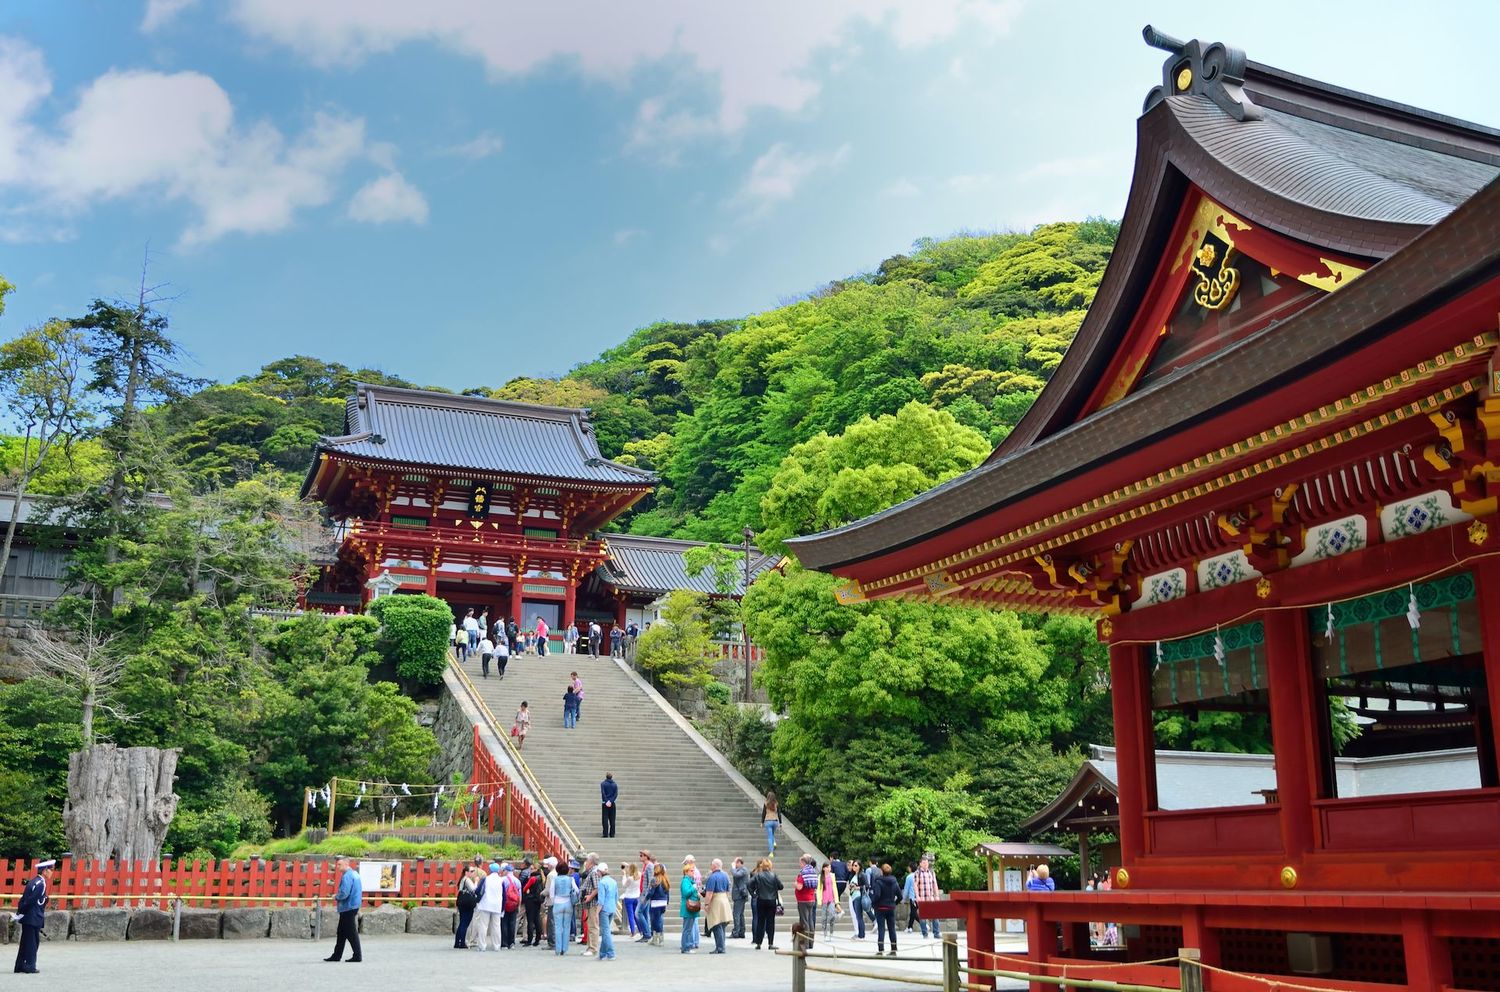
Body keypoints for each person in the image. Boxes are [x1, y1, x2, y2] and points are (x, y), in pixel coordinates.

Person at [12, 858, 53, 974]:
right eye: (50, 869)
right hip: (33, 917)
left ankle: (20, 965)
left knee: (26, 942)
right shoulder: (41, 884)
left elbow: (24, 900)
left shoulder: (33, 881)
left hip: (29, 917)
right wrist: (22, 912)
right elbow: (30, 901)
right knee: (32, 943)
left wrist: (20, 912)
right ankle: (29, 966)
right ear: (44, 871)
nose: (52, 872)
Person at [325, 855, 363, 963]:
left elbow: (344, 893)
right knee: (341, 932)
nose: (338, 866)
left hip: (348, 907)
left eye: (339, 864)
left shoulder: (346, 876)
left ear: (346, 864)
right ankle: (336, 955)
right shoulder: (355, 874)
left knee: (351, 933)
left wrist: (336, 896)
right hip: (353, 905)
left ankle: (357, 955)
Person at [748, 858, 782, 950]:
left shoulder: (758, 875)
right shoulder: (774, 876)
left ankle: (758, 943)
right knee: (771, 922)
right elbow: (781, 886)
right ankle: (770, 943)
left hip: (761, 900)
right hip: (771, 901)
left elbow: (749, 884)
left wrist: (753, 894)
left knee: (760, 921)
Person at [870, 863, 901, 957]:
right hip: (891, 907)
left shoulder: (878, 882)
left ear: (881, 871)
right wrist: (894, 903)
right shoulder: (894, 882)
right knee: (892, 929)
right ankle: (894, 949)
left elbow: (877, 895)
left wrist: (873, 903)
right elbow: (900, 896)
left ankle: (880, 949)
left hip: (880, 908)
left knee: (881, 928)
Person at [473, 861, 504, 951]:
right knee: (496, 926)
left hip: (485, 904)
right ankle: (497, 946)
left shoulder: (486, 879)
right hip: (497, 905)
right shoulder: (501, 880)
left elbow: (478, 890)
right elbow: (504, 894)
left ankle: (482, 946)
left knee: (483, 926)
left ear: (490, 870)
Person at [703, 858, 732, 953]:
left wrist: (707, 904)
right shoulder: (725, 876)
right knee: (722, 924)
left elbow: (709, 892)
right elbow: (728, 890)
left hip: (716, 900)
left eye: (711, 864)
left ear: (715, 866)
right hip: (724, 899)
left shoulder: (712, 877)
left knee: (716, 924)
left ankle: (720, 947)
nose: (710, 866)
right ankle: (722, 946)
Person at [550, 859, 578, 955]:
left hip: (558, 902)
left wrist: (554, 902)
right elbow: (576, 890)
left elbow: (551, 893)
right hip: (568, 903)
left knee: (558, 927)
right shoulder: (571, 879)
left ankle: (558, 949)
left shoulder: (555, 879)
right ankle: (564, 949)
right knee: (566, 927)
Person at [595, 863, 619, 961]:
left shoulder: (602, 883)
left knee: (605, 932)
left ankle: (610, 953)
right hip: (612, 908)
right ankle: (602, 953)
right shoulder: (613, 881)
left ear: (600, 872)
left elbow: (601, 900)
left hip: (604, 909)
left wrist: (596, 913)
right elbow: (616, 896)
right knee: (606, 930)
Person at [913, 857, 941, 938]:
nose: (926, 864)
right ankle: (924, 933)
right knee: (923, 917)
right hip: (922, 897)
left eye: (927, 863)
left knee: (935, 915)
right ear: (920, 864)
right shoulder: (917, 873)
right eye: (924, 863)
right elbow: (915, 885)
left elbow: (934, 884)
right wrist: (917, 896)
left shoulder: (931, 872)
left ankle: (936, 932)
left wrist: (937, 895)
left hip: (931, 897)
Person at [454, 863, 481, 950]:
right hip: (467, 903)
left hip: (462, 902)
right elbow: (474, 889)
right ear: (466, 872)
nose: (473, 873)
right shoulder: (467, 880)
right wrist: (476, 881)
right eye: (471, 871)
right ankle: (462, 942)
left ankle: (457, 942)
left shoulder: (462, 879)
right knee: (465, 923)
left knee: (462, 922)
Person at [679, 858, 703, 953]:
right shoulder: (685, 881)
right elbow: (686, 893)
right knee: (687, 929)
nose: (693, 872)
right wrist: (693, 889)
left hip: (692, 907)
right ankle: (686, 947)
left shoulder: (690, 880)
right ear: (686, 872)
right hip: (688, 907)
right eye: (691, 870)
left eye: (693, 870)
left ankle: (687, 946)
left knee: (689, 928)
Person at [646, 863, 670, 946]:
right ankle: (659, 937)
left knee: (654, 920)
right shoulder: (665, 879)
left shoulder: (654, 879)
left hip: (655, 902)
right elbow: (667, 893)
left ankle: (657, 938)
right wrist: (667, 902)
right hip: (663, 902)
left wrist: (646, 898)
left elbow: (651, 892)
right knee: (659, 919)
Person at [794, 853, 818, 934]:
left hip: (803, 900)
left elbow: (800, 887)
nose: (799, 864)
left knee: (804, 921)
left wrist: (795, 884)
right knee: (810, 919)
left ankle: (805, 941)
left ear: (804, 863)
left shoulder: (803, 873)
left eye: (800, 863)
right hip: (811, 899)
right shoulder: (813, 872)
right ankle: (811, 941)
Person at [499, 864, 521, 949]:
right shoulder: (517, 881)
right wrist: (518, 905)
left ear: (506, 871)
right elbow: (519, 895)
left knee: (504, 923)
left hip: (504, 904)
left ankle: (504, 943)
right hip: (514, 904)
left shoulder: (502, 880)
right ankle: (511, 943)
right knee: (512, 923)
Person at [621, 862, 642, 941]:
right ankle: (640, 930)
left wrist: (624, 875)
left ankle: (633, 932)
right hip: (637, 896)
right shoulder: (639, 874)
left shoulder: (630, 878)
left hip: (629, 897)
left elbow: (624, 885)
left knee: (630, 915)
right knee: (636, 914)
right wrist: (627, 865)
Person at [730, 856, 749, 939]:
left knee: (736, 914)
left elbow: (735, 875)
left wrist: (733, 867)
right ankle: (741, 931)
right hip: (740, 894)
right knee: (740, 914)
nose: (735, 864)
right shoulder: (741, 870)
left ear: (739, 863)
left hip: (740, 895)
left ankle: (736, 932)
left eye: (736, 862)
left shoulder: (743, 870)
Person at [820, 861, 838, 938]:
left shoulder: (832, 876)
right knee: (824, 917)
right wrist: (819, 898)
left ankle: (831, 930)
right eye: (827, 867)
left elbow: (834, 887)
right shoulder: (820, 877)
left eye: (829, 867)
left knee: (832, 914)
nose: (828, 869)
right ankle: (824, 932)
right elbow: (818, 889)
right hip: (824, 898)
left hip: (831, 898)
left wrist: (836, 899)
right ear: (824, 868)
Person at [762, 790, 781, 855]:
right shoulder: (776, 803)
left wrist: (762, 822)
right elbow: (779, 813)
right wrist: (780, 823)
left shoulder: (766, 803)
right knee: (772, 834)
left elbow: (763, 813)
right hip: (775, 821)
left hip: (768, 821)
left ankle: (771, 852)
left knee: (770, 837)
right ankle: (774, 842)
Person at [600, 772, 618, 838]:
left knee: (605, 818)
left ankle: (605, 833)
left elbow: (603, 793)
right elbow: (615, 794)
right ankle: (612, 834)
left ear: (606, 776)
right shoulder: (615, 785)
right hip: (612, 803)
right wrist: (611, 801)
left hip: (605, 803)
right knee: (612, 819)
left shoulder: (603, 784)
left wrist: (606, 801)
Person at [902, 862, 917, 932]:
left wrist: (903, 899)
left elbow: (906, 889)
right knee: (913, 912)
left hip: (913, 897)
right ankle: (909, 927)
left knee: (913, 912)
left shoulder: (909, 877)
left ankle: (923, 924)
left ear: (910, 868)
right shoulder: (919, 875)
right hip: (920, 897)